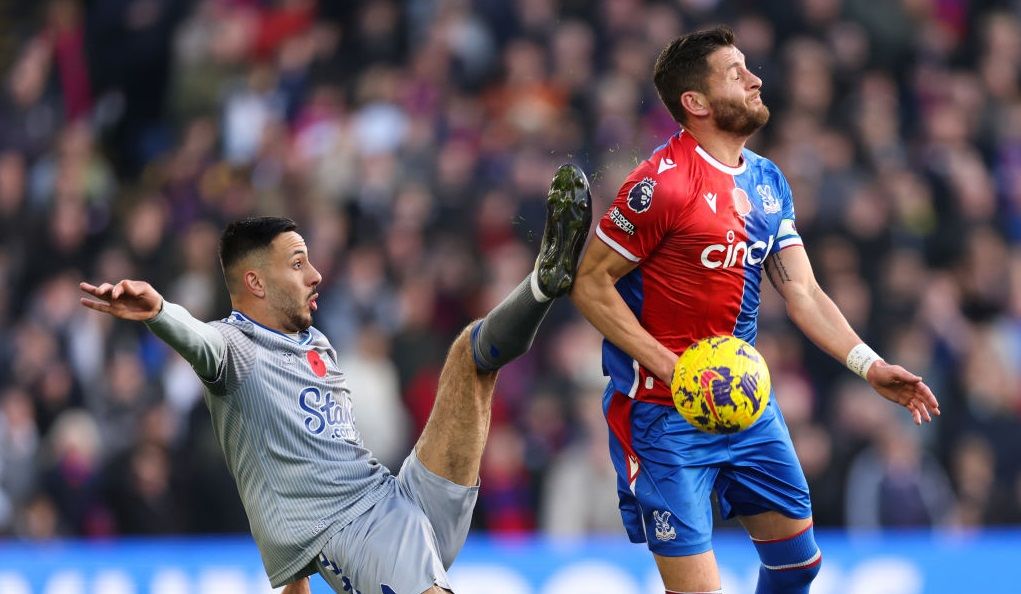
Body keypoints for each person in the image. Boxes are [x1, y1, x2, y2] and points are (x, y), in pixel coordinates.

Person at [79, 164, 592, 594]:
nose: (316, 274)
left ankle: (543, 285)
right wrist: (159, 312)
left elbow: (286, 479)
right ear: (255, 282)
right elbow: (199, 340)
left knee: (468, 357)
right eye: (298, 264)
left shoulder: (316, 343)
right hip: (356, 530)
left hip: (398, 495)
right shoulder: (234, 351)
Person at [570, 26, 940, 594]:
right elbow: (590, 284)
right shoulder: (660, 186)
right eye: (735, 73)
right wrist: (672, 367)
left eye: (749, 67)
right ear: (695, 103)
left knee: (799, 567)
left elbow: (804, 292)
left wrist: (869, 365)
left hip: (744, 403)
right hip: (662, 417)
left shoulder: (768, 182)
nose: (755, 79)